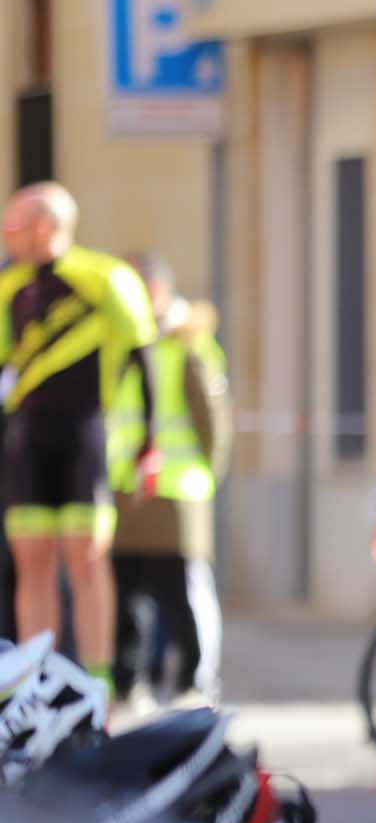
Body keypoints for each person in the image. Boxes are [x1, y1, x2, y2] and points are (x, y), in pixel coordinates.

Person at [0, 184, 158, 699]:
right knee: (32, 558)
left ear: (45, 226)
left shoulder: (107, 277)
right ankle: (32, 683)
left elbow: (144, 355)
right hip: (27, 438)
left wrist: (148, 443)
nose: (7, 235)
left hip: (86, 435)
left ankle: (98, 682)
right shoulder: (9, 286)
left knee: (87, 558)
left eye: (14, 226)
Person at [108, 263, 228, 707]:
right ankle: (127, 681)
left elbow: (212, 422)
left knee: (182, 593)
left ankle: (194, 682)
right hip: (128, 490)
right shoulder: (121, 345)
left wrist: (206, 476)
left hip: (176, 492)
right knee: (126, 596)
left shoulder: (185, 344)